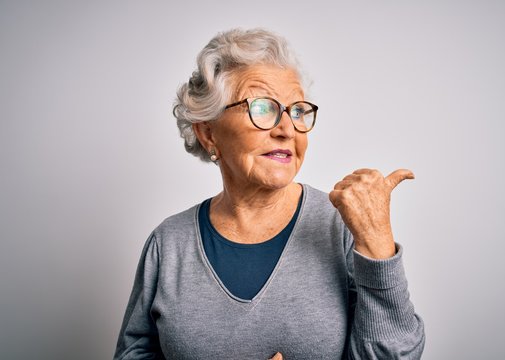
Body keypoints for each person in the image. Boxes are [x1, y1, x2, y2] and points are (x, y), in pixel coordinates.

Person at [114, 28, 425, 359]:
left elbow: (396, 354)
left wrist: (377, 247)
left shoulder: (343, 226)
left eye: (297, 111)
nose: (287, 129)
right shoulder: (169, 244)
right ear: (208, 133)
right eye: (262, 108)